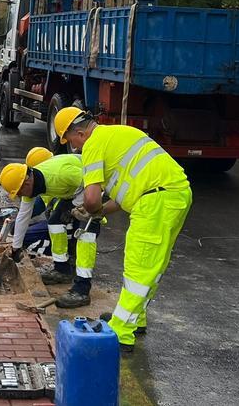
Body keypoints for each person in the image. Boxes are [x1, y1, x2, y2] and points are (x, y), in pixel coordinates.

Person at [54, 106, 192, 354]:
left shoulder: (94, 144)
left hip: (155, 203)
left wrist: (89, 210)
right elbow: (122, 197)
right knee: (153, 265)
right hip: (175, 196)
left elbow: (92, 197)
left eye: (71, 141)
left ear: (79, 132)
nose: (74, 148)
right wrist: (97, 211)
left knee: (138, 266)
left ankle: (120, 331)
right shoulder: (117, 134)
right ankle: (134, 318)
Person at [0, 147, 100, 308]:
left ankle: (82, 289)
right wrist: (16, 247)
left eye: (19, 191)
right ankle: (62, 269)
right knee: (55, 223)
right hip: (74, 192)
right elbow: (24, 216)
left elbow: (91, 182)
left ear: (27, 181)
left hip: (94, 189)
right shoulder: (31, 186)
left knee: (85, 236)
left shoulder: (60, 173)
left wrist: (76, 206)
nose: (19, 195)